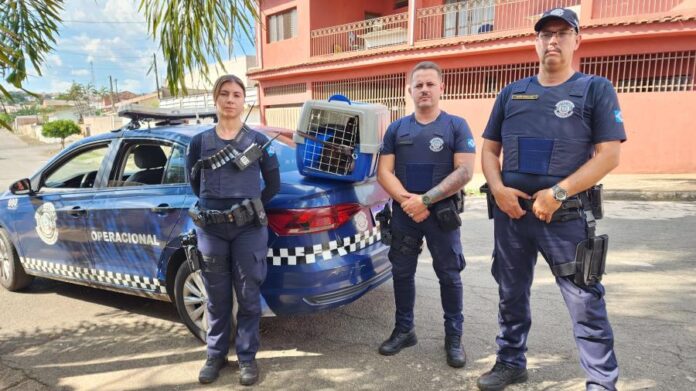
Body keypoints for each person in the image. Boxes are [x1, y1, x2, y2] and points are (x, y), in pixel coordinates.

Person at [477, 8, 625, 391]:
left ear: (578, 40)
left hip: (565, 216)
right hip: (511, 215)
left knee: (584, 302)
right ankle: (511, 363)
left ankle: (601, 381)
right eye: (545, 34)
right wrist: (497, 188)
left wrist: (558, 193)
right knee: (510, 294)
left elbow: (609, 155)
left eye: (562, 33)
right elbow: (489, 150)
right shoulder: (511, 93)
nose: (553, 41)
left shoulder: (595, 89)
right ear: (536, 42)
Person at [376, 61, 476, 368]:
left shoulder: (456, 126)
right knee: (402, 273)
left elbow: (465, 171)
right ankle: (404, 330)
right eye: (418, 85)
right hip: (406, 214)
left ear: (441, 88)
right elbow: (384, 172)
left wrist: (426, 200)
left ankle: (453, 337)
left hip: (442, 215)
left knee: (449, 275)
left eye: (430, 84)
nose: (424, 90)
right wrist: (409, 202)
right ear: (410, 91)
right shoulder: (397, 129)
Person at [185, 75, 280, 386]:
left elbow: (274, 184)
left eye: (236, 94)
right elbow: (194, 183)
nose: (230, 99)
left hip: (248, 230)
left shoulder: (259, 142)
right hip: (211, 230)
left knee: (249, 296)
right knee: (216, 297)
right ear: (216, 99)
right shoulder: (199, 142)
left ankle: (247, 358)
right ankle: (215, 355)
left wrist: (249, 209)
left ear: (244, 101)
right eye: (224, 94)